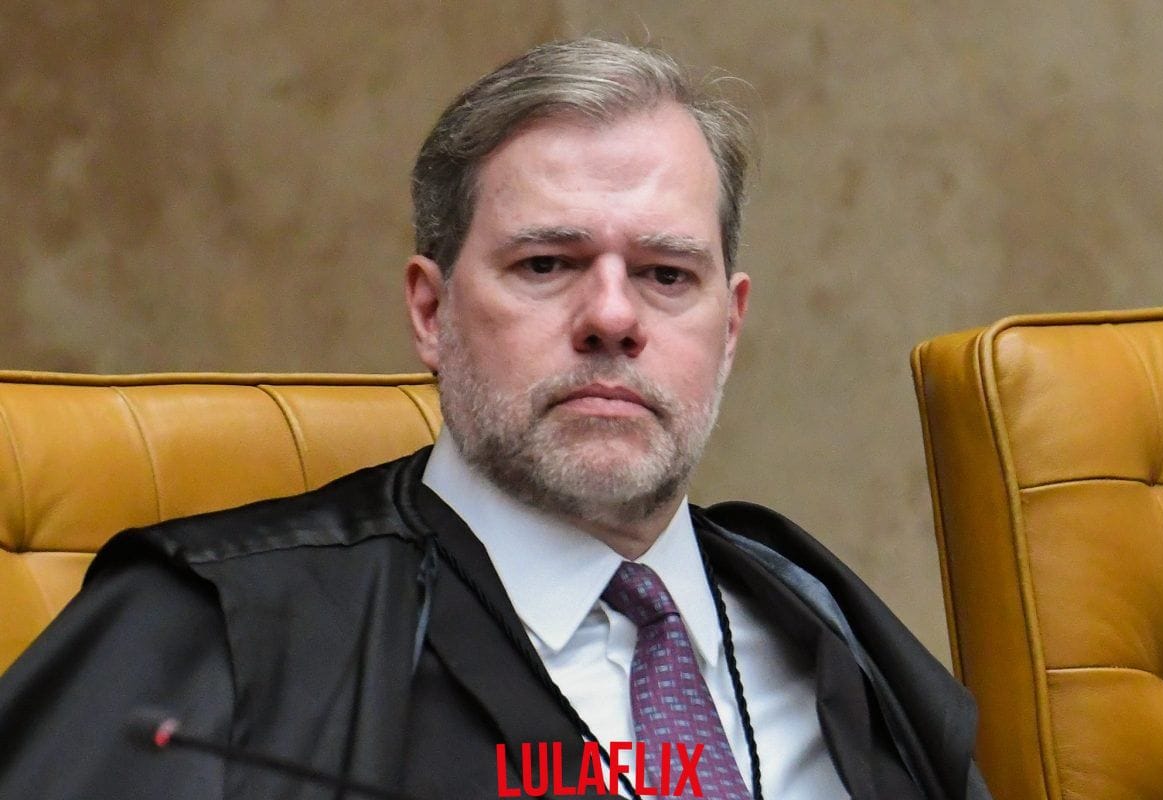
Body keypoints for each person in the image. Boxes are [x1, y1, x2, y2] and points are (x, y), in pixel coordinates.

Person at [0, 38, 989, 799]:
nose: (612, 317)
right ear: (431, 312)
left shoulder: (829, 629)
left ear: (728, 326)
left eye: (665, 274)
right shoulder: (208, 626)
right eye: (546, 263)